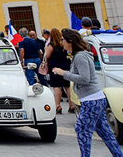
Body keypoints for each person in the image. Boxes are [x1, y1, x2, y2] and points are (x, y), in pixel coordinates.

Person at [52, 29, 123, 157]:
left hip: (91, 100)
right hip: (94, 98)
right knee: (105, 132)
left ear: (70, 41)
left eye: (63, 39)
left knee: (82, 130)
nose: (61, 42)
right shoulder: (80, 55)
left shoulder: (80, 56)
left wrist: (64, 73)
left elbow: (85, 79)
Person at [44, 28, 73, 113]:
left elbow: (47, 56)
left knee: (57, 86)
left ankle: (58, 106)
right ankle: (71, 105)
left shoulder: (51, 45)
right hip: (65, 65)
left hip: (55, 67)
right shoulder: (63, 44)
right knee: (67, 86)